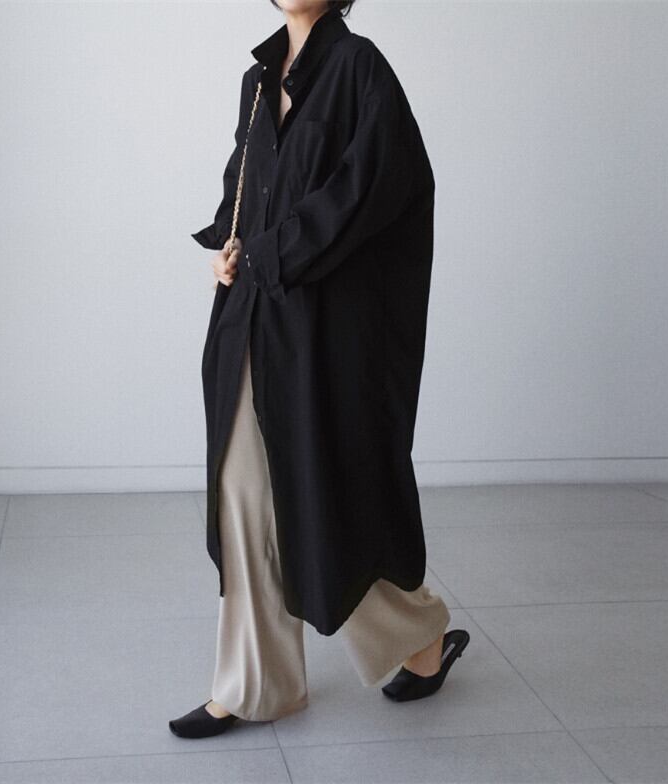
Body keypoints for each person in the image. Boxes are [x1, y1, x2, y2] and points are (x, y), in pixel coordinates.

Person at [170, 0, 469, 739]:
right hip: (254, 313)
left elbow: (372, 187)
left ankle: (419, 636)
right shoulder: (257, 79)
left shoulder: (360, 68)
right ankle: (257, 684)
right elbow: (246, 180)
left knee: (325, 493)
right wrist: (229, 244)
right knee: (243, 489)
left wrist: (274, 252)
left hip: (324, 328)